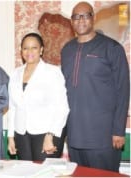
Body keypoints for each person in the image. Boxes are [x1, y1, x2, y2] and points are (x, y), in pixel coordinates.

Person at [61, 2, 130, 172]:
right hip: (75, 136)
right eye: (76, 17)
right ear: (71, 21)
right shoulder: (67, 50)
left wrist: (118, 130)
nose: (81, 20)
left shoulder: (112, 48)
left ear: (94, 18)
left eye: (85, 15)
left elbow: (123, 90)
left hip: (103, 137)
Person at [7, 33, 69, 161]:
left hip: (47, 133)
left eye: (34, 47)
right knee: (26, 172)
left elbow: (62, 108)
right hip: (21, 133)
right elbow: (13, 108)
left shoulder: (53, 72)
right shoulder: (15, 74)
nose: (29, 51)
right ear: (21, 51)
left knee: (44, 172)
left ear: (41, 50)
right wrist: (10, 137)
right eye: (25, 48)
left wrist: (50, 135)